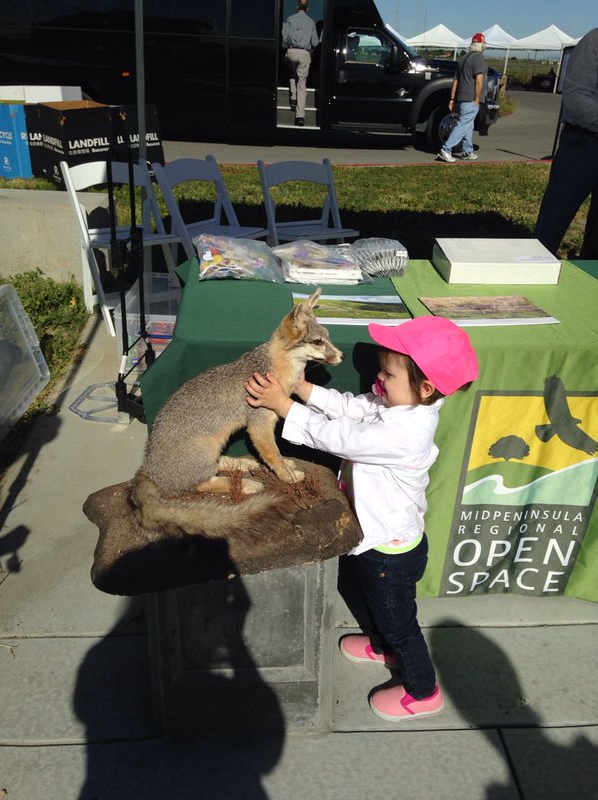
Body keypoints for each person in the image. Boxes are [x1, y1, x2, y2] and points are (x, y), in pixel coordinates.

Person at [245, 316, 478, 722]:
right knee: (376, 603)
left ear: (424, 389)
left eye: (388, 373)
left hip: (390, 552)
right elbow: (351, 408)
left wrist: (283, 406)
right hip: (377, 542)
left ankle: (422, 691)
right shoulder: (396, 405)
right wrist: (301, 388)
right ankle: (380, 644)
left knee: (399, 622)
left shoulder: (408, 432)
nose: (378, 378)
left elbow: (341, 437)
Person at [534, 27, 598, 259]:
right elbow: (575, 97)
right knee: (552, 224)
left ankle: (589, 282)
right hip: (582, 145)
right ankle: (535, 269)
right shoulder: (594, 41)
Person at [438, 32, 488, 163]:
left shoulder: (463, 58)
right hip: (471, 99)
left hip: (461, 98)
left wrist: (452, 98)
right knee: (463, 125)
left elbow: (455, 80)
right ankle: (446, 148)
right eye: (484, 43)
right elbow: (479, 80)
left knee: (468, 125)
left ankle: (467, 150)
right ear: (481, 45)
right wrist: (477, 99)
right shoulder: (478, 58)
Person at [282, 0, 319, 127]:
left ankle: (293, 97)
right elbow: (315, 43)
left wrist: (286, 47)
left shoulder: (289, 19)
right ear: (307, 9)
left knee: (291, 71)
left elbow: (284, 38)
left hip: (291, 51)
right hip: (304, 53)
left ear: (297, 7)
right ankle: (300, 117)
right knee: (302, 84)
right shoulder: (311, 22)